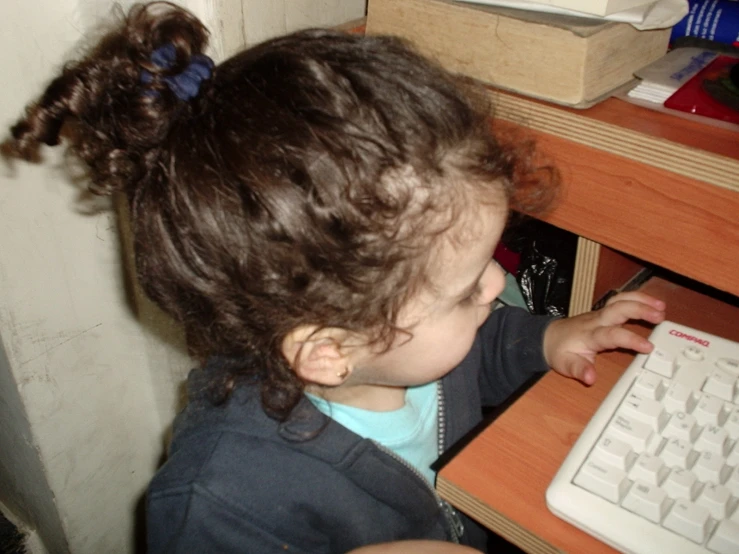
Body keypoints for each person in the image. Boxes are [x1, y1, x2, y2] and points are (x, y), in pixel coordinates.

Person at [5, 2, 666, 553]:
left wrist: (549, 340)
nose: (495, 283)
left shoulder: (397, 349)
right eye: (464, 291)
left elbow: (480, 348)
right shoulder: (219, 499)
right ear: (329, 352)